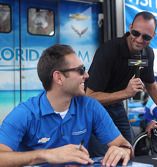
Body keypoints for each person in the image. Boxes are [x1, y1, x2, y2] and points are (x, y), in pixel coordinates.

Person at [0, 44, 133, 166]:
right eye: (81, 70)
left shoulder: (90, 106)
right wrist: (46, 155)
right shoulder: (25, 113)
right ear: (58, 77)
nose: (86, 75)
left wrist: (123, 150)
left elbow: (124, 145)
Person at [86, 11, 157, 156]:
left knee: (129, 152)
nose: (139, 39)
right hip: (94, 109)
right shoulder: (109, 50)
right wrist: (125, 93)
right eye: (135, 33)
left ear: (153, 36)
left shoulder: (148, 53)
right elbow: (89, 97)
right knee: (106, 157)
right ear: (130, 28)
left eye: (146, 37)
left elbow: (152, 86)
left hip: (116, 106)